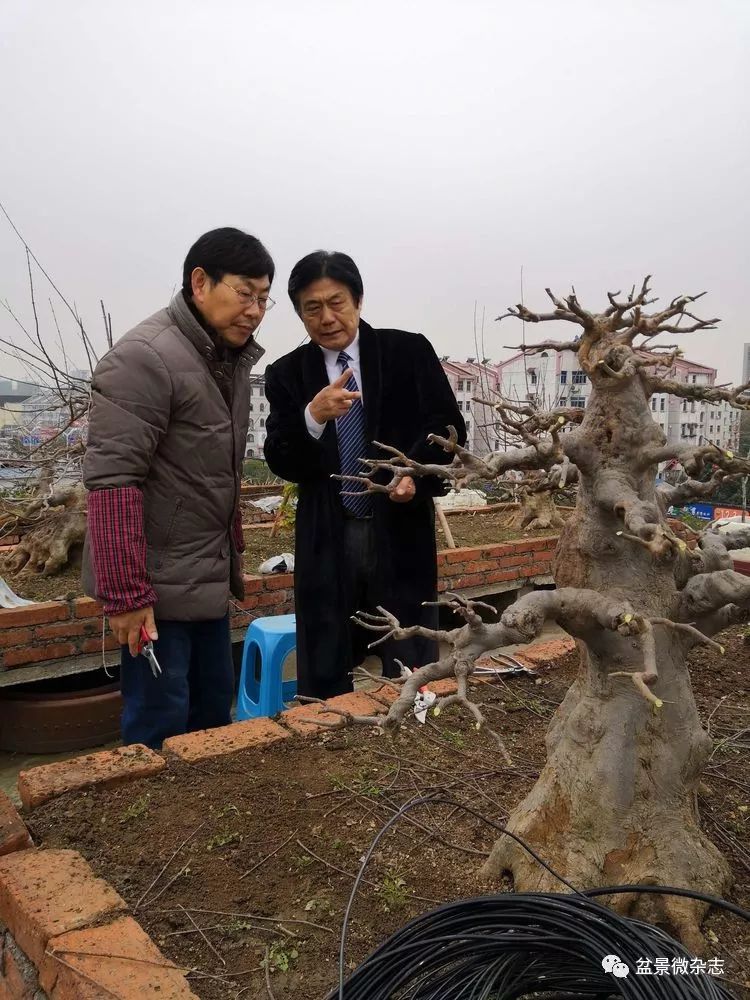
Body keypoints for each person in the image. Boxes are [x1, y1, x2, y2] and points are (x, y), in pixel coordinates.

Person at [82, 227, 275, 749]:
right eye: (244, 293)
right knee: (158, 722)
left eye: (263, 298)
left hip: (204, 579)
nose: (255, 310)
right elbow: (113, 480)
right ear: (199, 282)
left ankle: (206, 823)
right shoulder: (145, 357)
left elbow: (215, 472)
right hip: (154, 589)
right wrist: (125, 593)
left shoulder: (224, 359)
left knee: (212, 711)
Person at [264, 251, 465, 699]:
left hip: (400, 530)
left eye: (337, 302)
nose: (327, 317)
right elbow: (280, 456)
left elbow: (448, 427)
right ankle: (327, 732)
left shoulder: (406, 351)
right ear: (299, 314)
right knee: (326, 656)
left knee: (410, 651)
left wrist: (411, 472)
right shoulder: (287, 374)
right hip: (328, 537)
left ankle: (416, 726)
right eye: (312, 308)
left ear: (358, 300)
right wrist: (312, 417)